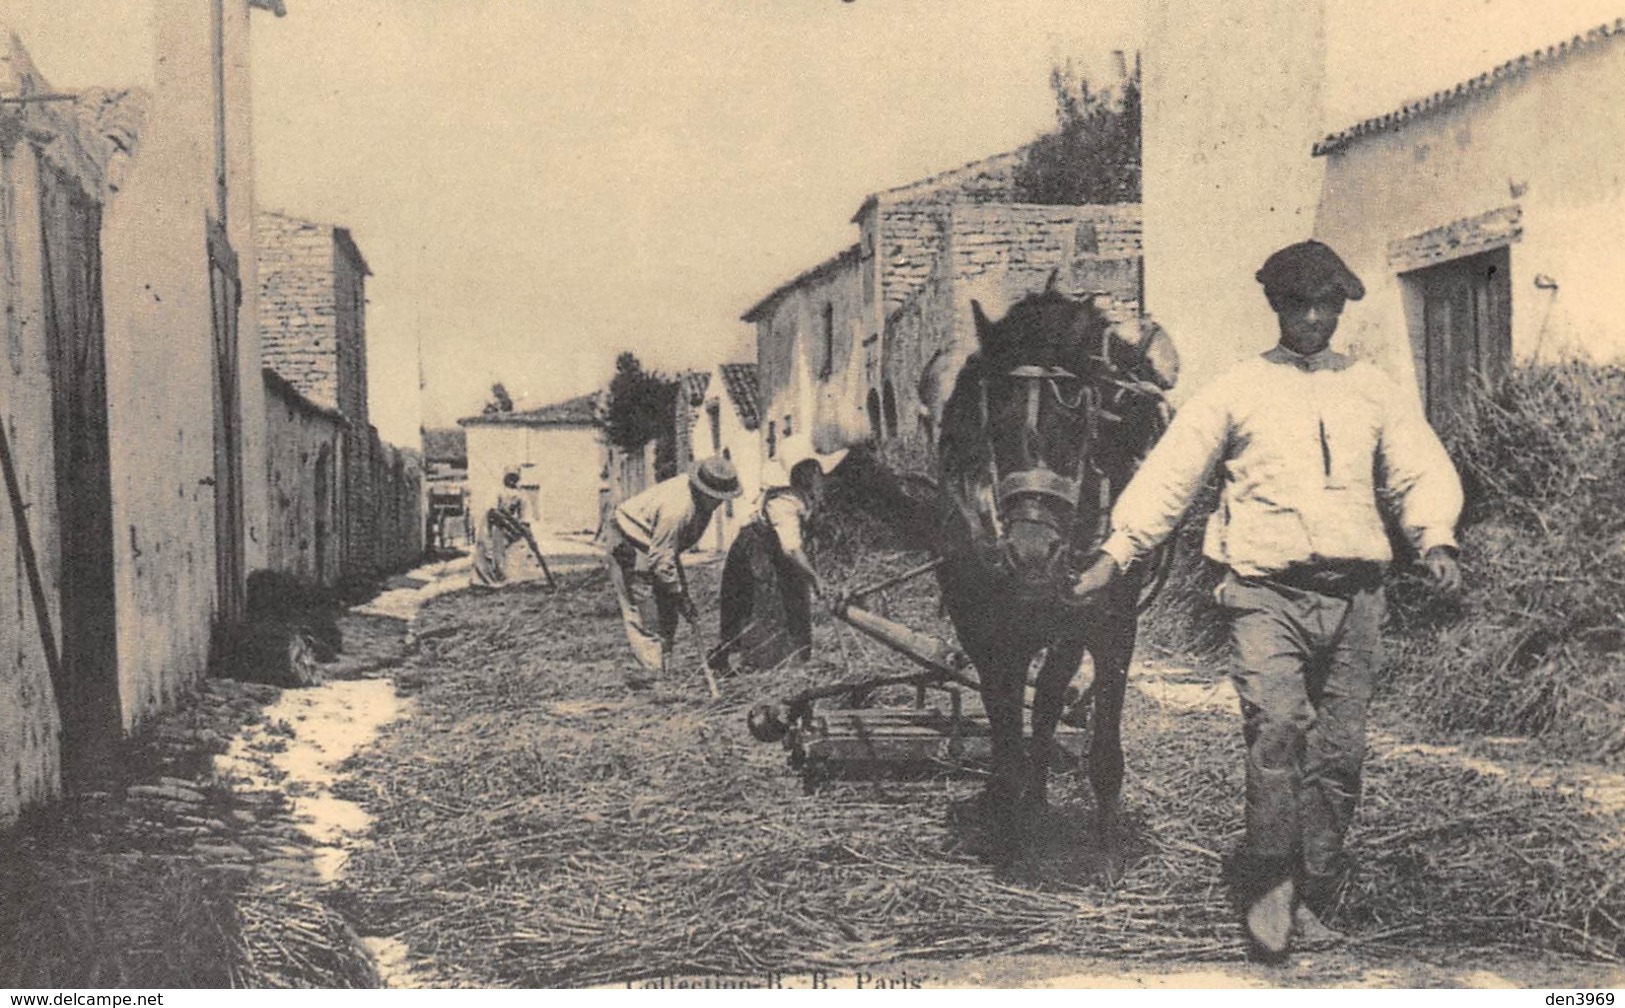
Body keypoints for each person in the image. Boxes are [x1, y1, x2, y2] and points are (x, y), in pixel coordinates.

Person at [1070, 239, 1464, 958]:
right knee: (1276, 728)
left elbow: (1414, 466)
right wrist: (1115, 551)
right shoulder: (1237, 389)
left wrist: (1434, 537)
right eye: (1298, 304)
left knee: (1339, 753)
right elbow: (1171, 474)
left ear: (1340, 307)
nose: (1313, 318)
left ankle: (1314, 886)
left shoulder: (1371, 387)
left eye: (1326, 305)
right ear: (1275, 306)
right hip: (1262, 591)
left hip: (1355, 598)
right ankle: (1270, 884)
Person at [599, 456, 742, 688]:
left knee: (668, 614)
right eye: (716, 498)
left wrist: (679, 595)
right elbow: (661, 560)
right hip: (629, 542)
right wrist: (679, 595)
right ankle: (653, 678)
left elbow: (668, 553)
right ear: (703, 490)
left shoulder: (699, 504)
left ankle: (662, 671)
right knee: (647, 614)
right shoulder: (677, 509)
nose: (719, 504)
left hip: (656, 546)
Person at [712, 456, 830, 673]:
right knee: (762, 604)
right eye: (813, 473)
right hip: (755, 549)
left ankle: (796, 657)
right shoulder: (783, 501)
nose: (818, 478)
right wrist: (815, 577)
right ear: (800, 475)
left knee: (795, 597)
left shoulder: (805, 496)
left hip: (775, 549)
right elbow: (791, 548)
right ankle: (755, 664)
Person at [474, 469, 527, 584]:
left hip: (510, 526)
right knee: (494, 550)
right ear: (505, 478)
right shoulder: (499, 492)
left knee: (512, 551)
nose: (512, 481)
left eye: (514, 478)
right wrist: (504, 521)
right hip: (497, 524)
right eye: (510, 478)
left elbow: (522, 514)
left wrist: (519, 525)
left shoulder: (520, 495)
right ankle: (494, 576)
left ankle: (507, 576)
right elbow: (493, 511)